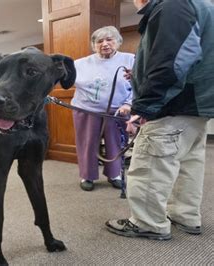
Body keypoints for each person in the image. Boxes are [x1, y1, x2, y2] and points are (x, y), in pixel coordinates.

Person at [106, 0, 214, 240]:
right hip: (196, 105)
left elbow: (173, 60)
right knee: (188, 163)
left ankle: (148, 222)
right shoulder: (198, 4)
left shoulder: (172, 5)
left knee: (150, 164)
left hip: (172, 104)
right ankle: (185, 215)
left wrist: (145, 106)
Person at [71, 26, 135, 191]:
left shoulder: (130, 60)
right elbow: (65, 80)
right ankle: (87, 175)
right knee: (87, 143)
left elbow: (139, 86)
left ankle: (115, 175)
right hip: (86, 109)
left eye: (109, 39)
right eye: (99, 41)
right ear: (94, 45)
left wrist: (128, 103)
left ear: (118, 42)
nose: (105, 44)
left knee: (115, 143)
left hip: (117, 110)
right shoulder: (80, 64)